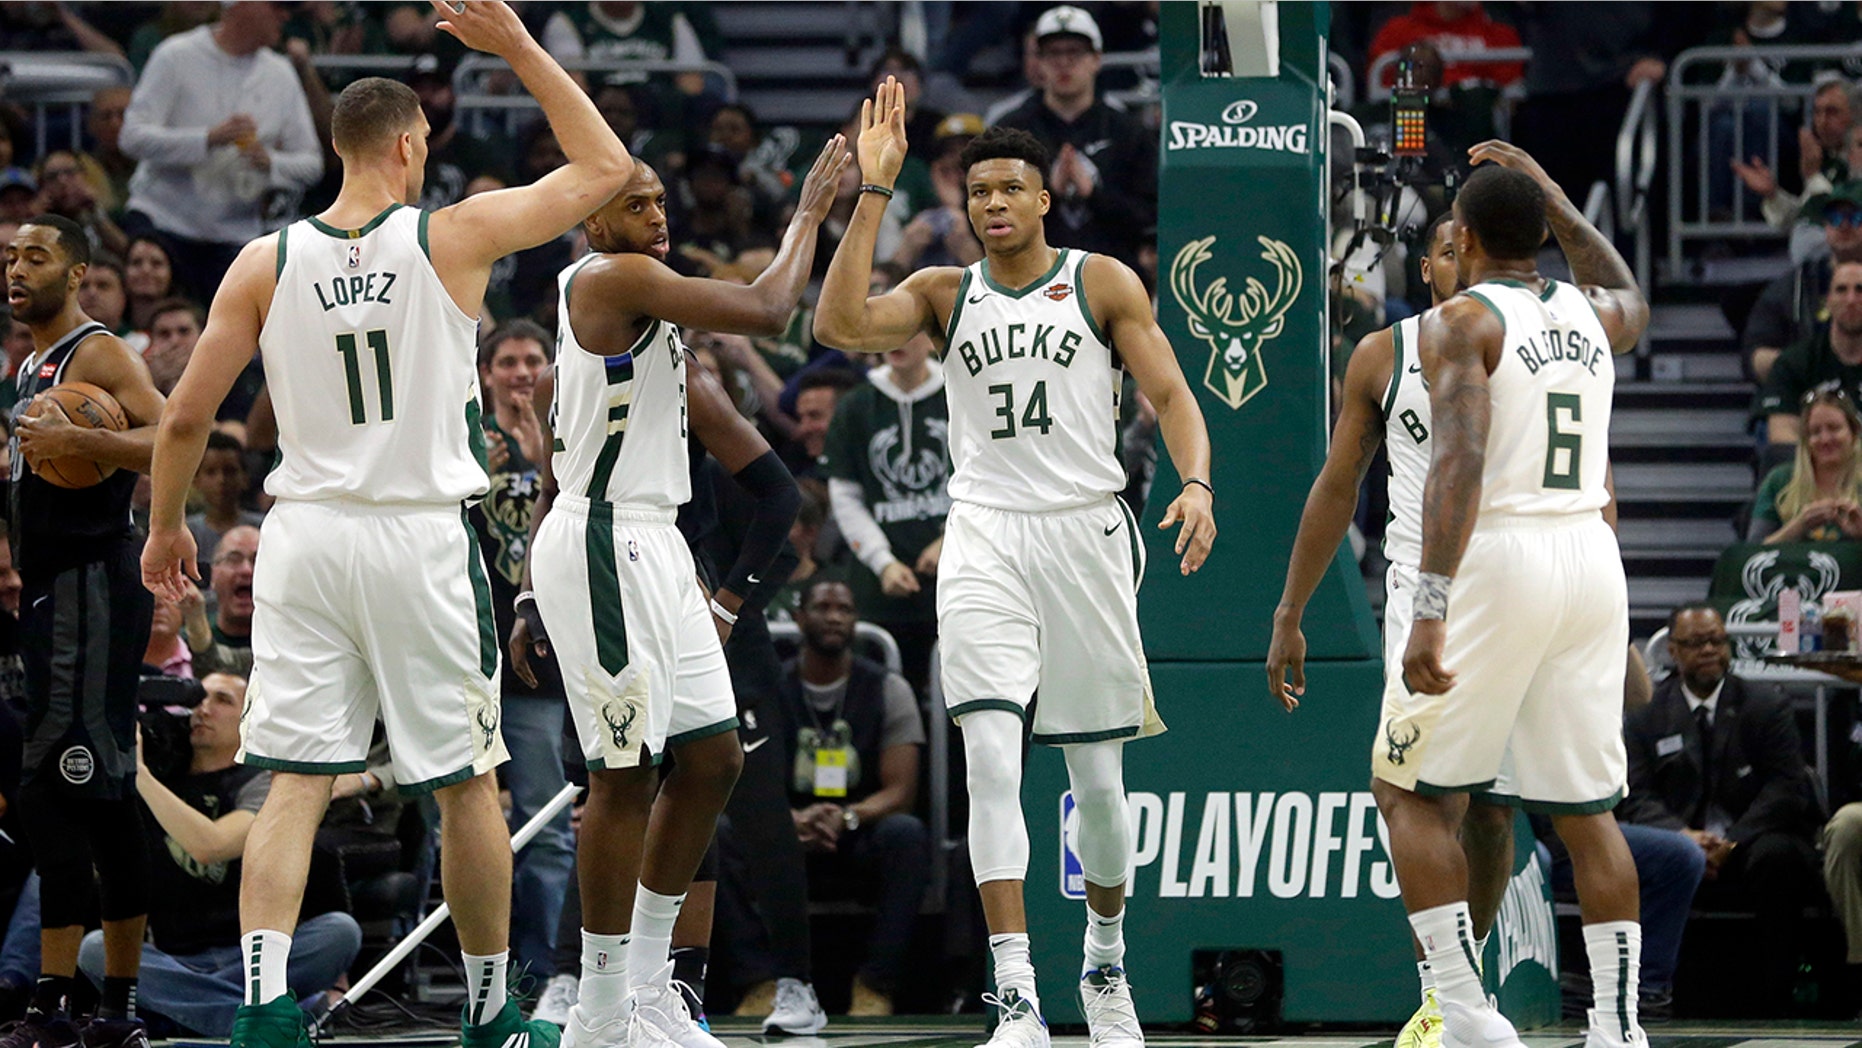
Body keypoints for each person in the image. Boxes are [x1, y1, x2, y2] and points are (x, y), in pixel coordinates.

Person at [139, 2, 634, 1043]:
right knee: (465, 785)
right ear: (411, 144)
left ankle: (264, 1008)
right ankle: (495, 1014)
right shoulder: (450, 234)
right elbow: (605, 170)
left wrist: (168, 529)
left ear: (337, 146)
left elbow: (187, 412)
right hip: (417, 534)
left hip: (305, 535)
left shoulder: (263, 261)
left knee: (293, 784)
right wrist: (518, 47)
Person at [814, 82, 1216, 1048]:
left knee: (1100, 785)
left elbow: (1170, 393)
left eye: (1008, 189)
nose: (990, 203)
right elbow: (837, 327)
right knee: (992, 764)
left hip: (1085, 531)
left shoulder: (1101, 280)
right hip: (984, 532)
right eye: (975, 190)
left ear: (1044, 200)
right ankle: (1018, 996)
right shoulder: (944, 292)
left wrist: (1196, 485)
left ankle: (1106, 961)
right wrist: (873, 193)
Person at [510, 129, 838, 1042]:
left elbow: (561, 453)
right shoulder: (608, 280)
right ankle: (600, 1004)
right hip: (606, 539)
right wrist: (812, 211)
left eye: (661, 202)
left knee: (715, 759)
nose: (658, 218)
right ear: (591, 220)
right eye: (637, 203)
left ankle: (653, 987)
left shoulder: (653, 324)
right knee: (622, 777)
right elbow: (773, 309)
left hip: (657, 544)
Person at [1384, 141, 1649, 1048]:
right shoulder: (1596, 311)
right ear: (1545, 229)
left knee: (1407, 791)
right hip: (1591, 553)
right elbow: (1632, 291)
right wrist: (1559, 197)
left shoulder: (1461, 321)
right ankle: (1618, 1029)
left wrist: (1429, 604)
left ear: (1460, 234)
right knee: (1587, 813)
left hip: (1503, 555)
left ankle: (1460, 1010)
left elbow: (1454, 463)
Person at [1268, 213, 1517, 1047]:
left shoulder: (1539, 337)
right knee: (1422, 796)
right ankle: (1449, 994)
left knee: (1492, 809)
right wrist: (1290, 609)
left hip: (1519, 583)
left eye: (1470, 246)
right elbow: (1338, 487)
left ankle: (1465, 988)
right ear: (1428, 264)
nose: (1460, 260)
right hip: (1423, 594)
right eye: (1446, 249)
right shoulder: (1384, 352)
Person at [3, 213, 167, 1046]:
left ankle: (61, 1000)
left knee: (57, 787)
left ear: (76, 274)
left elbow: (177, 431)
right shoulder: (29, 361)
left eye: (36, 256)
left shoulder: (97, 352)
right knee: (97, 795)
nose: (16, 268)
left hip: (94, 588)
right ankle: (106, 1010)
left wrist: (74, 438)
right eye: (9, 257)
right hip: (53, 592)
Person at [76, 672, 361, 1035]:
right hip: (174, 959)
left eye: (222, 700)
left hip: (251, 957)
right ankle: (270, 1018)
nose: (203, 710)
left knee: (340, 931)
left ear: (249, 717)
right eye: (198, 699)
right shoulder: (165, 773)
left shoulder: (262, 783)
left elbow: (212, 846)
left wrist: (140, 776)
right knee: (95, 948)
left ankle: (182, 1012)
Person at [1622, 604, 1822, 1015]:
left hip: (1752, 838)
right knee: (1651, 856)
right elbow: (1637, 795)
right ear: (1673, 652)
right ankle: (1654, 992)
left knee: (1780, 857)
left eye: (1716, 640)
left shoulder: (1766, 703)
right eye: (1696, 643)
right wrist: (1683, 837)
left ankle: (1779, 997)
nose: (1709, 650)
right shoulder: (1646, 714)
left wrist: (1730, 841)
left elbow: (1786, 788)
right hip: (1680, 838)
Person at [470, 319, 574, 979]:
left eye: (533, 359)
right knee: (452, 820)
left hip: (541, 659)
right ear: (484, 374)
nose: (520, 372)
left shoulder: (572, 438)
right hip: (469, 653)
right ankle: (471, 970)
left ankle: (546, 974)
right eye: (506, 361)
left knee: (547, 827)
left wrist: (548, 462)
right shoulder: (463, 440)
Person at [778, 579, 928, 1016]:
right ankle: (761, 983)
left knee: (907, 834)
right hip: (785, 837)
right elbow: (747, 785)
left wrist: (845, 818)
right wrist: (791, 821)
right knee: (722, 835)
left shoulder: (888, 688)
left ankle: (875, 985)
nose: (834, 617)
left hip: (860, 833)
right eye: (822, 607)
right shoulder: (770, 688)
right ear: (798, 617)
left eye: (843, 608)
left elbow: (901, 792)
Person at [119, 0, 323, 301]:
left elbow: (312, 163)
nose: (284, 15)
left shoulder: (280, 73)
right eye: (276, 6)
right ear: (241, 6)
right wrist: (207, 139)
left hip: (236, 235)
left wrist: (270, 162)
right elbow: (131, 137)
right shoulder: (176, 55)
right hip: (163, 222)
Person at [824, 329, 949, 696]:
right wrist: (882, 562)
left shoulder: (960, 394)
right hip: (880, 593)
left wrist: (952, 539)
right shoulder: (855, 406)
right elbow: (844, 495)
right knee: (884, 707)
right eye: (887, 331)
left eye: (907, 331)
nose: (895, 341)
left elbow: (989, 475)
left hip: (954, 583)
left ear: (930, 338)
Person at [993, 6, 1156, 268]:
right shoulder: (1010, 132)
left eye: (1075, 52)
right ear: (1039, 61)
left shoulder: (1128, 131)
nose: (1064, 63)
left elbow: (1149, 216)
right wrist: (1049, 194)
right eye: (1053, 53)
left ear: (1096, 59)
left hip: (1113, 276)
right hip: (1028, 280)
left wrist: (1093, 194)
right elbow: (991, 215)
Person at [1744, 183, 1862, 384]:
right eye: (1834, 217)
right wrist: (1806, 366)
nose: (1844, 225)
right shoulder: (1795, 285)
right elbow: (1753, 357)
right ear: (1825, 226)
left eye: (1856, 217)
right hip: (1807, 397)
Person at [1757, 260, 1862, 443]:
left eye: (1860, 290)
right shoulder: (1793, 363)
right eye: (1841, 290)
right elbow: (1781, 433)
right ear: (1827, 301)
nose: (1851, 300)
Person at [1750, 390, 1862, 542]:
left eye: (1834, 428)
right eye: (1815, 432)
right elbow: (1752, 552)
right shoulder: (1779, 480)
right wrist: (1798, 527)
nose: (1825, 439)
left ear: (1854, 432)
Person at [185, 432, 263, 577]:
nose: (221, 480)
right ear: (196, 480)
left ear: (245, 477)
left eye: (230, 471)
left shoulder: (265, 528)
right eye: (211, 472)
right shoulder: (186, 532)